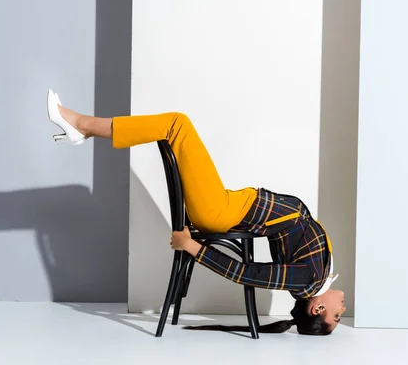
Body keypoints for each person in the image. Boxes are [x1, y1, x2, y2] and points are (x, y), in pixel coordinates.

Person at [46, 89, 346, 335]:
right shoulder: (315, 276)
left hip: (220, 211)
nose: (342, 310)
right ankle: (83, 127)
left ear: (318, 310)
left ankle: (83, 126)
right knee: (177, 125)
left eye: (337, 317)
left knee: (177, 124)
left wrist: (192, 247)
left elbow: (246, 273)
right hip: (227, 205)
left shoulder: (306, 279)